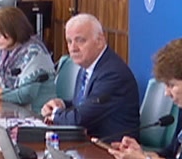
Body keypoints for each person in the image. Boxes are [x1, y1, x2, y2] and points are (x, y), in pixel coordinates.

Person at [40, 13, 138, 141]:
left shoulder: (113, 74)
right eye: (69, 41)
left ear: (100, 41)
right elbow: (86, 104)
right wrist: (62, 105)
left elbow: (79, 120)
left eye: (80, 40)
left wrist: (55, 114)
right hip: (89, 142)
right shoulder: (87, 66)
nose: (73, 48)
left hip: (113, 147)